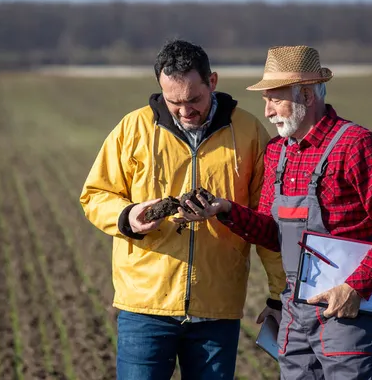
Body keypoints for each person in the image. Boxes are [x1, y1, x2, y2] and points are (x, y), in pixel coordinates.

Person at [177, 45, 372, 379]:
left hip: (347, 316)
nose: (268, 111)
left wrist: (356, 288)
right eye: (265, 101)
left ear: (307, 95)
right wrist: (226, 209)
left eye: (275, 99)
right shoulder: (278, 153)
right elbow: (274, 234)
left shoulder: (356, 145)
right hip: (294, 316)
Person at [79, 39, 286, 380]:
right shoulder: (132, 129)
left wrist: (279, 294)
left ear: (213, 82)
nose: (185, 111)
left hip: (217, 308)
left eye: (194, 100)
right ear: (160, 88)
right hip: (144, 307)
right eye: (174, 102)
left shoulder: (248, 132)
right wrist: (127, 217)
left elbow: (267, 221)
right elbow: (95, 195)